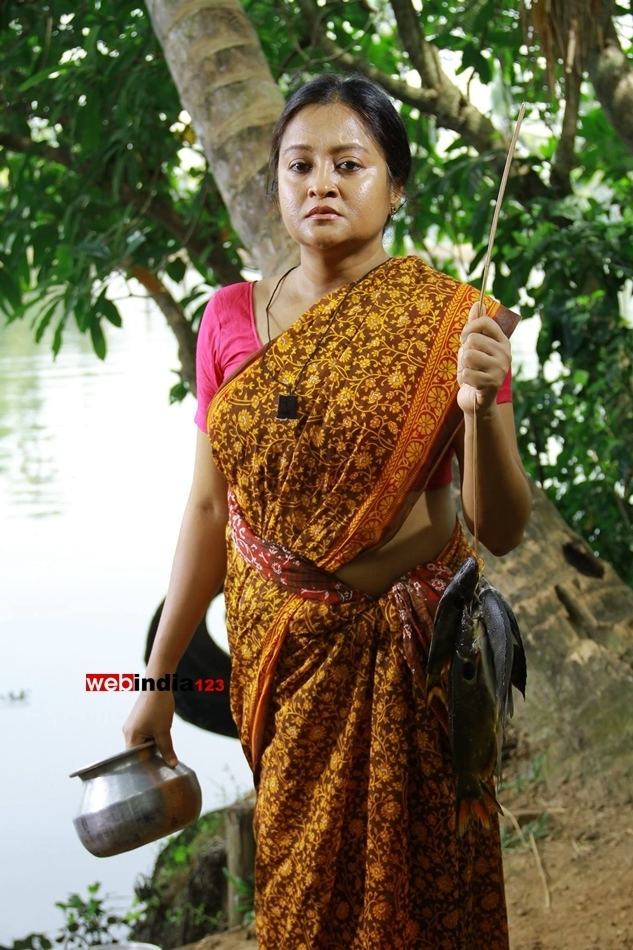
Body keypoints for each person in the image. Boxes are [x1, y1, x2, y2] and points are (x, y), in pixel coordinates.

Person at [123, 73, 532, 949]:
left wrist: (480, 403)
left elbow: (493, 527)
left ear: (394, 185)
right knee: (304, 900)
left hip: (410, 664)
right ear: (274, 185)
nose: (321, 184)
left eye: (350, 164)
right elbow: (205, 508)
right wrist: (156, 685)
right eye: (299, 165)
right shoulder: (228, 318)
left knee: (418, 905)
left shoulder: (452, 324)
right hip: (282, 664)